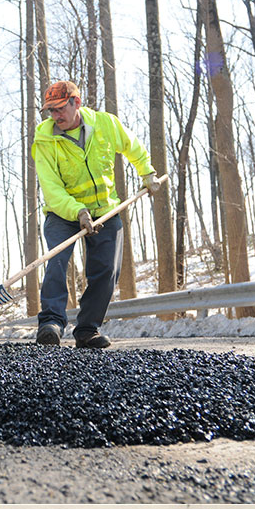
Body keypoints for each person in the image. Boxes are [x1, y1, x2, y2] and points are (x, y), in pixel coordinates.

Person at [31, 80, 160, 349]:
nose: (55, 116)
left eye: (59, 109)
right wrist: (77, 211)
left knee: (107, 270)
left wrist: (147, 172)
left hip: (104, 210)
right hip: (63, 212)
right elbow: (51, 187)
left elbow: (131, 145)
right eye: (50, 111)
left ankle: (88, 329)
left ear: (76, 103)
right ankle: (51, 324)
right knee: (56, 261)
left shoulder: (105, 124)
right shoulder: (44, 139)